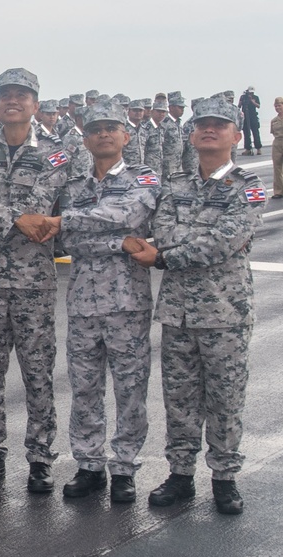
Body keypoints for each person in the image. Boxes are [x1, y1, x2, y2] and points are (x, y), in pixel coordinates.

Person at [126, 97, 263, 515]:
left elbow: (225, 241)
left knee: (225, 398)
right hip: (179, 313)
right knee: (179, 397)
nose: (209, 129)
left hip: (225, 313)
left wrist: (167, 256)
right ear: (191, 133)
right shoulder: (176, 185)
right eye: (202, 123)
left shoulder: (248, 187)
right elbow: (163, 230)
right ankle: (181, 475)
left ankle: (224, 478)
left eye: (219, 124)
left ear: (236, 135)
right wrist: (172, 246)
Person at [0, 67, 70, 493]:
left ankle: (40, 457)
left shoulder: (55, 153)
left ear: (35, 105)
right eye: (5, 95)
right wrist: (17, 218)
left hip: (34, 282)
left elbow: (45, 204)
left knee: (38, 373)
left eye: (22, 95)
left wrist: (6, 215)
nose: (13, 101)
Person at [55, 102, 161, 503]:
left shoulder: (144, 179)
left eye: (112, 128)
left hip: (127, 303)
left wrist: (85, 225)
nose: (104, 134)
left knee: (130, 389)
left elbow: (128, 213)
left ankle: (125, 468)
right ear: (85, 138)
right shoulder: (75, 187)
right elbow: (69, 240)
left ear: (126, 135)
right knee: (84, 388)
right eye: (96, 129)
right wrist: (119, 241)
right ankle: (89, 465)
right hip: (82, 302)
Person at [239, 86, 261, 155]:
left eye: (252, 93)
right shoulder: (243, 97)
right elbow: (239, 106)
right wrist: (241, 102)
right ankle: (248, 148)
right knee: (246, 133)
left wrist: (252, 101)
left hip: (253, 117)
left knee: (256, 133)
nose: (251, 94)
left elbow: (258, 106)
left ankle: (258, 148)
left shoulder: (255, 97)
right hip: (245, 117)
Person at [271, 97, 283, 198]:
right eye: (276, 106)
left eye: (279, 105)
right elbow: (273, 132)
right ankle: (278, 191)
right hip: (277, 143)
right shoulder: (274, 120)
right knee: (277, 167)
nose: (277, 107)